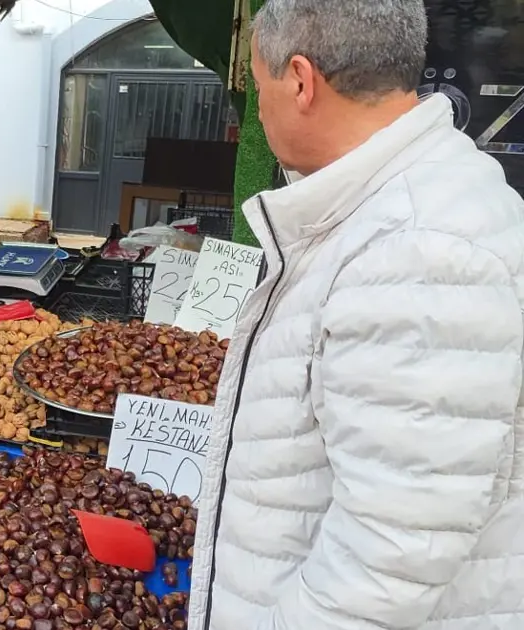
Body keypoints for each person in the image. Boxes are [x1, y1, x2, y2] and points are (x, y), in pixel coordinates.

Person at [187, 1, 524, 628]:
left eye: (259, 90)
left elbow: (389, 558)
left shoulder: (419, 248)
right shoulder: (398, 209)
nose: (259, 112)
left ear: (300, 81)